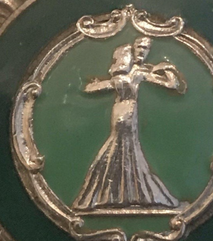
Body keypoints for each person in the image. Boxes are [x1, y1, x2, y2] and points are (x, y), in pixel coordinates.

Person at [73, 36, 186, 210]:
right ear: (132, 49)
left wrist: (167, 68)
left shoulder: (135, 73)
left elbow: (172, 85)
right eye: (139, 47)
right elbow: (92, 88)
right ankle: (121, 194)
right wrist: (165, 69)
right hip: (125, 113)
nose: (142, 51)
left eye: (146, 48)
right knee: (123, 147)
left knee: (124, 148)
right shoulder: (131, 74)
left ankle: (111, 195)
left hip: (126, 111)